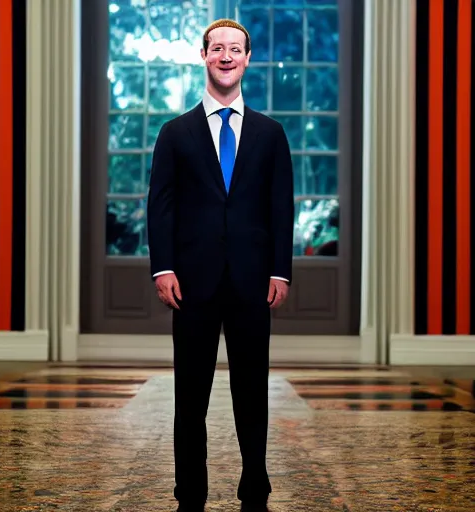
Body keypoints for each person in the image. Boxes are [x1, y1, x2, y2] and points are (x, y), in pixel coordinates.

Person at [147, 18, 294, 512]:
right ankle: (190, 492)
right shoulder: (175, 133)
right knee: (191, 396)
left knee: (252, 392)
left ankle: (255, 487)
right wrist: (162, 267)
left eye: (236, 49)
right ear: (204, 56)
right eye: (218, 48)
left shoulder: (272, 134)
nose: (226, 56)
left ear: (247, 59)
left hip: (254, 282)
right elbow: (160, 207)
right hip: (191, 283)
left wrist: (280, 270)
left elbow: (281, 207)